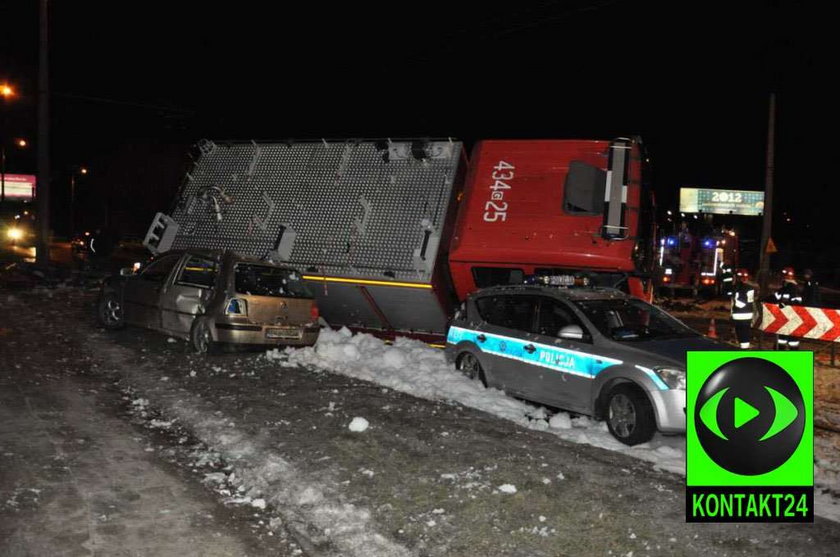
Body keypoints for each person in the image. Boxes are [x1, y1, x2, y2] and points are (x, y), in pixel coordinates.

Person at [774, 266, 803, 350]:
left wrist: (783, 304)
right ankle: (781, 349)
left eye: (786, 275)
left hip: (791, 315)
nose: (785, 277)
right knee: (784, 335)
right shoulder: (785, 287)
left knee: (791, 336)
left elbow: (792, 300)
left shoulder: (791, 287)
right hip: (786, 315)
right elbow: (777, 296)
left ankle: (788, 352)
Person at [730, 269, 755, 349]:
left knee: (741, 332)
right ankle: (744, 347)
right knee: (745, 332)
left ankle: (743, 348)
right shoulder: (750, 288)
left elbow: (741, 303)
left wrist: (734, 309)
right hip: (748, 313)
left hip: (739, 313)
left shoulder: (739, 288)